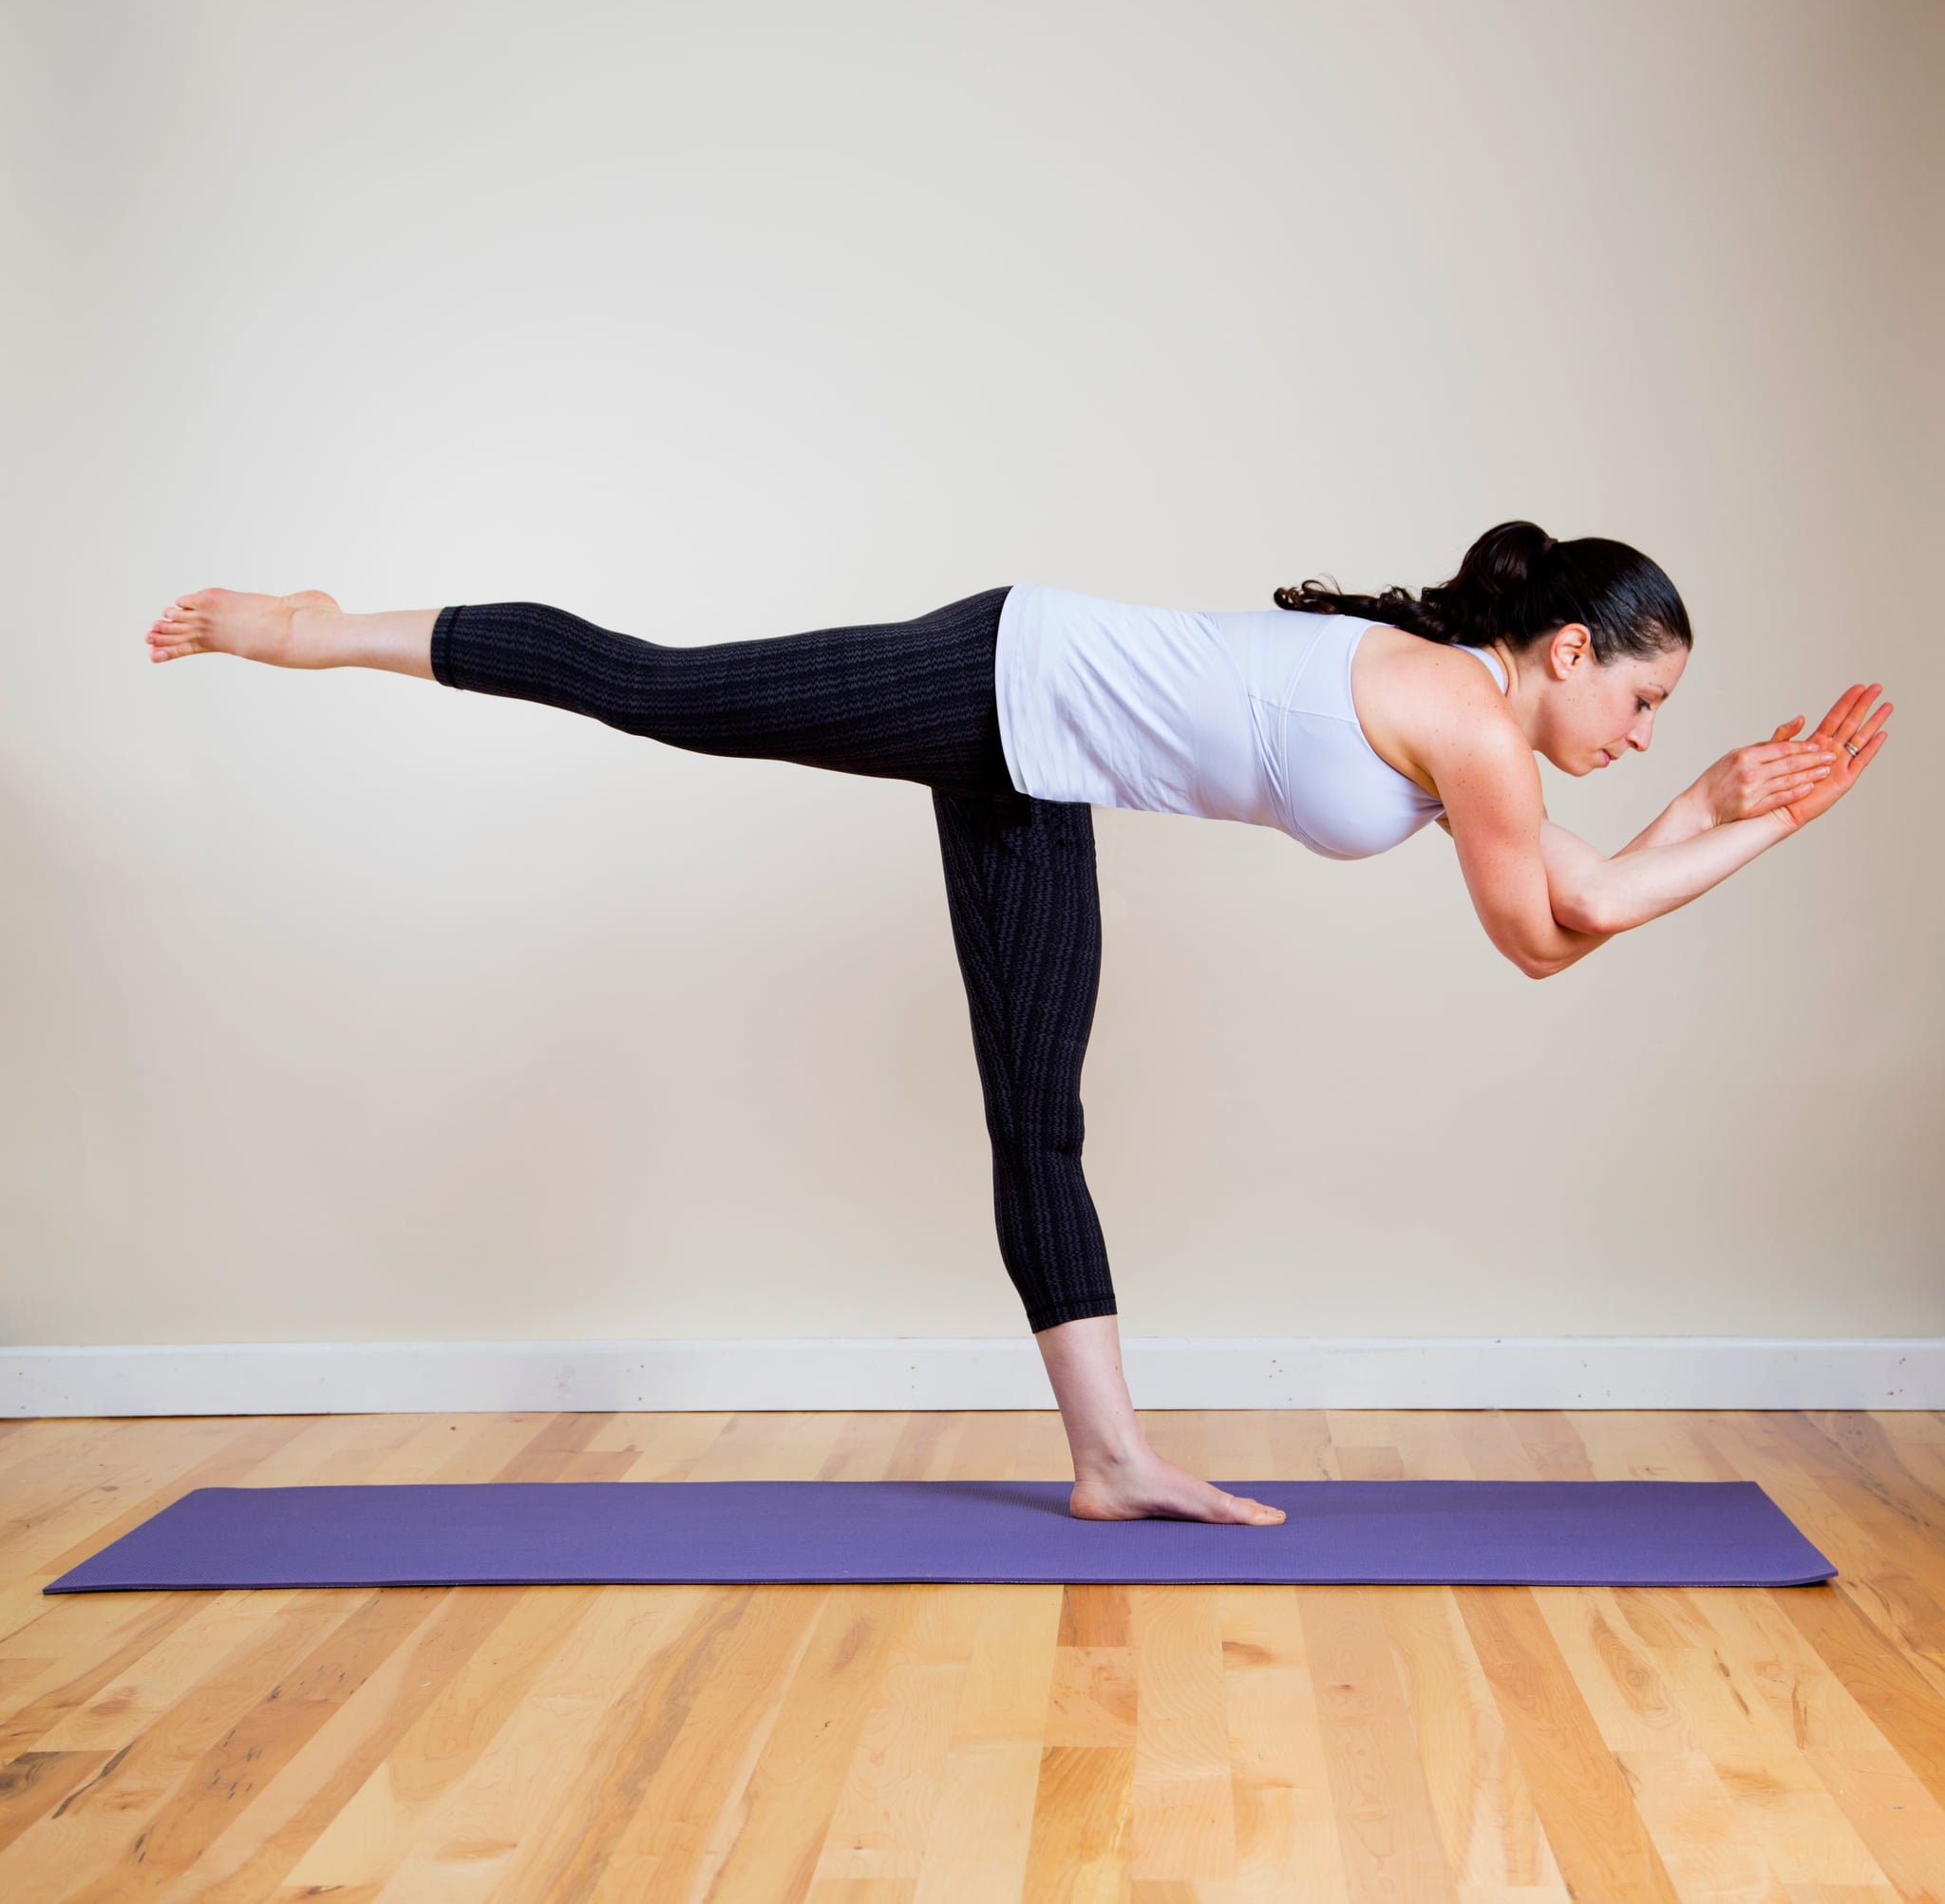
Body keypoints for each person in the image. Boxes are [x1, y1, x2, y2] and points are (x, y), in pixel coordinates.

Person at [144, 520, 1891, 1528]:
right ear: (1566, 649)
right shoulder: (1481, 731)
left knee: (1033, 1119)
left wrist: (1712, 817)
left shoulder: (1480, 733)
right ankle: (320, 628)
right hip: (995, 678)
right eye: (1647, 701)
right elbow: (1558, 927)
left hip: (1041, 772)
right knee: (666, 688)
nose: (1649, 733)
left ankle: (1110, 1460)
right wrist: (1744, 828)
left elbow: (1563, 914)